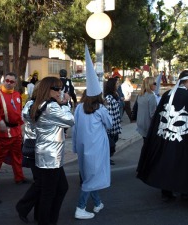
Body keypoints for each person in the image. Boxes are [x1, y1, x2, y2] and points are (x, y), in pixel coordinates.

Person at [137, 70, 188, 201]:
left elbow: (157, 118)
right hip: (184, 139)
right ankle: (185, 192)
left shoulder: (167, 94)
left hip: (165, 137)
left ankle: (166, 191)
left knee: (167, 163)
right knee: (184, 165)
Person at [73, 45, 112, 220]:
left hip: (82, 146)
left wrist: (74, 147)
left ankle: (97, 203)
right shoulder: (101, 109)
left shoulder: (79, 108)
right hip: (96, 147)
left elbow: (74, 128)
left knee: (89, 175)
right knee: (91, 178)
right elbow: (110, 125)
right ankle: (80, 207)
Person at [29, 76, 74, 225]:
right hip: (51, 156)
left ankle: (48, 220)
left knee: (60, 188)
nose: (59, 91)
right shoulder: (51, 106)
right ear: (47, 89)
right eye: (56, 88)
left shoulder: (40, 104)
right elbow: (70, 120)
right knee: (50, 193)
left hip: (47, 154)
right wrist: (66, 103)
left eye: (60, 88)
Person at [0, 72, 26, 187]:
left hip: (16, 130)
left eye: (11, 81)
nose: (8, 83)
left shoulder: (17, 95)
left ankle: (19, 177)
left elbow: (19, 112)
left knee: (17, 155)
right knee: (0, 155)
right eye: (7, 81)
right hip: (5, 131)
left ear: (15, 83)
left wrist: (22, 126)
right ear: (3, 81)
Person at [16, 83, 40, 223]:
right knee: (41, 182)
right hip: (34, 147)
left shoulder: (36, 104)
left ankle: (37, 212)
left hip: (38, 147)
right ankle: (23, 207)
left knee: (42, 182)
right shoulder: (33, 104)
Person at [104, 78, 122, 165]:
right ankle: (106, 158)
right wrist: (109, 125)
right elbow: (108, 112)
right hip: (111, 125)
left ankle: (107, 158)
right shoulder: (109, 97)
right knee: (111, 143)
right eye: (116, 83)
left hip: (115, 123)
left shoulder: (115, 94)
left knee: (114, 140)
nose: (118, 84)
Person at [136, 77, 157, 144]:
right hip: (148, 125)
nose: (156, 85)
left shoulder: (140, 95)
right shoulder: (151, 96)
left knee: (145, 144)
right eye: (154, 83)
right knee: (149, 147)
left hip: (141, 123)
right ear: (150, 84)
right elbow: (153, 114)